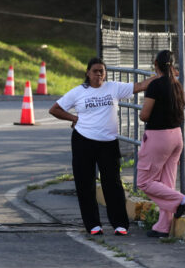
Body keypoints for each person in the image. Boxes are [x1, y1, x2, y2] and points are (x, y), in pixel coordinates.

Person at [49, 57, 156, 236]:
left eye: (102, 71)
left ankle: (120, 224)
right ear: (88, 73)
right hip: (83, 140)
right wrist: (74, 118)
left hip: (108, 143)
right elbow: (55, 109)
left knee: (112, 183)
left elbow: (141, 86)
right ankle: (93, 225)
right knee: (85, 183)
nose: (99, 74)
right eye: (95, 71)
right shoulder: (78, 92)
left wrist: (162, 75)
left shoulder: (113, 88)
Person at [136, 50, 185, 237]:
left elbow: (144, 114)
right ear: (172, 65)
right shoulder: (177, 85)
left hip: (158, 137)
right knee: (166, 183)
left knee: (144, 182)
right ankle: (163, 227)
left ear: (155, 64)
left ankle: (181, 200)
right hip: (176, 136)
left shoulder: (155, 85)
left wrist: (142, 114)